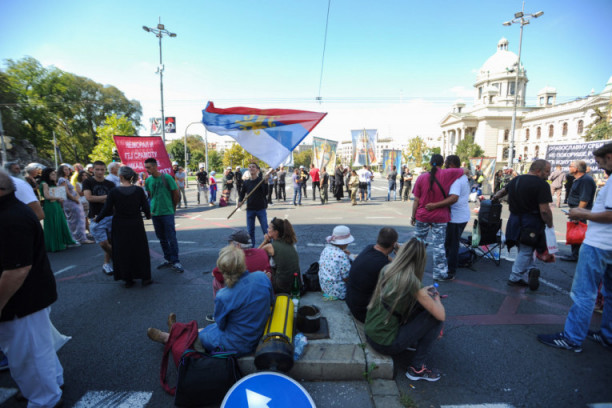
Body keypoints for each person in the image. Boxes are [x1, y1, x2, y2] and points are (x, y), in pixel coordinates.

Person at [537, 143, 612, 352]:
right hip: (606, 244)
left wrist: (582, 213)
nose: (600, 167)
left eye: (600, 162)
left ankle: (572, 338)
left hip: (599, 245)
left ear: (610, 156)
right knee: (608, 293)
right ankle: (607, 335)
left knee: (584, 293)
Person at [0, 170, 65, 408]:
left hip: (22, 300)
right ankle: (51, 384)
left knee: (28, 355)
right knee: (38, 349)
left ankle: (44, 399)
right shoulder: (11, 212)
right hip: (28, 297)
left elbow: (16, 270)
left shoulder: (10, 218)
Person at [147, 245, 274, 356]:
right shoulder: (262, 277)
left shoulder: (224, 295)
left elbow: (221, 325)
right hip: (257, 332)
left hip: (239, 344)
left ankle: (168, 338)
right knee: (206, 330)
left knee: (202, 335)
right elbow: (271, 301)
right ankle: (175, 331)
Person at [365, 238, 445, 382]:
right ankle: (417, 368)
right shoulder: (412, 282)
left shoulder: (387, 269)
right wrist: (437, 298)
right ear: (420, 259)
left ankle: (410, 340)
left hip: (370, 333)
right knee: (434, 318)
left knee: (421, 307)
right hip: (384, 344)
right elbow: (441, 315)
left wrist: (423, 293)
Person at [492, 159, 553, 290]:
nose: (548, 174)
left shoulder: (517, 179)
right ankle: (515, 277)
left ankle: (531, 269)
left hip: (514, 220)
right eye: (547, 171)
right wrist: (550, 224)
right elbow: (544, 210)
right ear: (538, 170)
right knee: (526, 249)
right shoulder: (542, 185)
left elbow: (502, 192)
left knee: (523, 247)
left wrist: (494, 198)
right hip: (531, 222)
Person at [411, 154, 465, 281]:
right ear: (442, 164)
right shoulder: (447, 174)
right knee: (439, 246)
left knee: (418, 244)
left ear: (430, 163)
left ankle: (412, 270)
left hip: (422, 215)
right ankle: (440, 274)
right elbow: (464, 170)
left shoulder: (421, 177)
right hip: (440, 216)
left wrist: (413, 217)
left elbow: (416, 200)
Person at [95, 166, 152, 288]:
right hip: (136, 223)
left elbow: (106, 209)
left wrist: (97, 219)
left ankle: (127, 278)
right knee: (140, 249)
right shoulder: (138, 190)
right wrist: (148, 216)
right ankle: (145, 277)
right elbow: (145, 207)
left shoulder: (114, 192)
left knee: (123, 250)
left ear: (120, 176)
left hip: (120, 224)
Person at [425, 155, 470, 279]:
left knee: (452, 244)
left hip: (456, 217)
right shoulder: (463, 176)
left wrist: (435, 205)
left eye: (446, 164)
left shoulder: (456, 179)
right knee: (451, 243)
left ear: (452, 165)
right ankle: (446, 265)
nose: (444, 166)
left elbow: (453, 198)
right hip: (461, 215)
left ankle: (450, 270)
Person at [346, 227, 398, 323]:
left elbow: (385, 257)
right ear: (394, 244)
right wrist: (400, 256)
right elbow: (402, 278)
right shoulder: (384, 266)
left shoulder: (369, 248)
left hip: (351, 302)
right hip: (364, 313)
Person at [144, 158, 183, 273]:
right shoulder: (148, 180)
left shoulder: (167, 178)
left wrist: (173, 208)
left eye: (148, 167)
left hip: (167, 212)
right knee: (161, 238)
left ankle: (175, 261)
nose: (147, 170)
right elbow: (151, 195)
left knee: (171, 237)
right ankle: (168, 258)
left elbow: (175, 194)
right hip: (155, 213)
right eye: (146, 168)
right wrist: (151, 209)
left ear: (155, 166)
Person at [559, 160, 597, 262]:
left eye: (571, 166)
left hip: (580, 211)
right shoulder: (579, 179)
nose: (569, 168)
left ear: (576, 169)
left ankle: (577, 255)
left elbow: (584, 200)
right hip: (576, 210)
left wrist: (578, 214)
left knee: (578, 234)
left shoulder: (585, 180)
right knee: (575, 233)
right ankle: (575, 254)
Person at [83, 161, 116, 274]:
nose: (100, 172)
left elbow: (113, 200)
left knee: (111, 241)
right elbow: (89, 198)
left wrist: (99, 198)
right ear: (93, 170)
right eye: (97, 169)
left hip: (111, 215)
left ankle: (106, 264)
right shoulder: (88, 182)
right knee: (103, 243)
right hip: (96, 217)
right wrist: (107, 197)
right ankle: (118, 257)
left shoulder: (110, 184)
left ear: (105, 170)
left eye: (102, 169)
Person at [39, 167, 77, 252]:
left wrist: (59, 198)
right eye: (52, 174)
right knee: (54, 224)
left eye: (55, 174)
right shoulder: (44, 183)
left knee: (60, 222)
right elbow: (47, 196)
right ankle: (55, 244)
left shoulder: (51, 183)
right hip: (50, 206)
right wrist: (58, 197)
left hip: (56, 204)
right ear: (47, 175)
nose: (54, 175)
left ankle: (63, 242)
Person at [259, 217, 300, 293]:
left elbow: (256, 255)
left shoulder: (271, 246)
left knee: (262, 270)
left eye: (269, 228)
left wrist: (265, 241)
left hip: (281, 287)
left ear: (276, 232)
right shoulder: (291, 243)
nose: (267, 230)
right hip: (297, 284)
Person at [57, 164, 91, 244]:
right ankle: (81, 238)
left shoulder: (65, 179)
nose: (67, 171)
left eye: (68, 169)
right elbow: (66, 192)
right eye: (65, 170)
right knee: (77, 220)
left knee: (76, 220)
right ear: (61, 171)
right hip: (71, 202)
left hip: (72, 201)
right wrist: (75, 199)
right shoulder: (62, 179)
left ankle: (78, 238)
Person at [318, 226, 355, 300]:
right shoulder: (341, 255)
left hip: (325, 287)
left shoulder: (326, 249)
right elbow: (346, 277)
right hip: (339, 292)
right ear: (344, 243)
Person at [239, 162, 269, 248]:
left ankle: (269, 247)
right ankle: (252, 249)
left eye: (253, 167)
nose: (251, 168)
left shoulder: (261, 181)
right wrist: (240, 201)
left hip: (260, 208)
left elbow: (265, 193)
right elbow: (242, 193)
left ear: (257, 170)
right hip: (250, 209)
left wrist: (266, 182)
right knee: (250, 231)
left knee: (265, 230)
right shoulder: (246, 182)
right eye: (250, 167)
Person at [75, 170, 91, 235]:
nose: (84, 177)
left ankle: (88, 231)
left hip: (89, 200)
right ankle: (86, 231)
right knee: (84, 217)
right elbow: (80, 193)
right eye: (83, 175)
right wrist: (88, 192)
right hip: (82, 201)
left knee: (88, 217)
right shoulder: (78, 183)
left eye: (86, 175)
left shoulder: (89, 182)